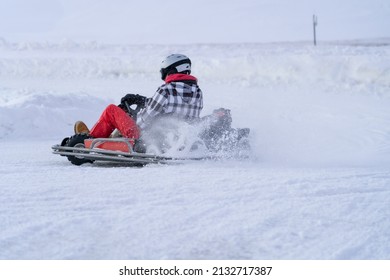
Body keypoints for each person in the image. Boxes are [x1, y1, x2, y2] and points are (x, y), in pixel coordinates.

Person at [74, 54, 203, 147]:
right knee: (127, 117)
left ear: (172, 71)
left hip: (145, 138)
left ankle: (88, 140)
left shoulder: (166, 90)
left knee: (112, 111)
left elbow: (145, 119)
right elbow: (171, 109)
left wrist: (132, 116)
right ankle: (110, 138)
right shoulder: (198, 93)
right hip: (173, 141)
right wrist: (142, 101)